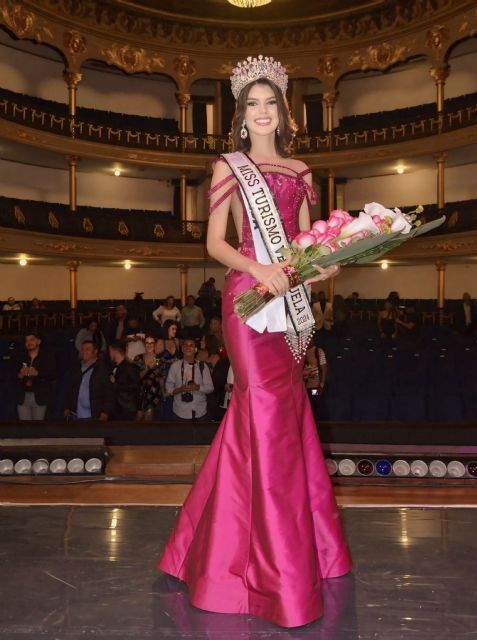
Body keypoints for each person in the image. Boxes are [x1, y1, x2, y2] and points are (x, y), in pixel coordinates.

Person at [159, 57, 351, 629]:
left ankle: (211, 542)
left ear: (284, 111)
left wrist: (324, 271)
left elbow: (310, 244)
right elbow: (215, 244)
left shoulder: (301, 169)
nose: (263, 113)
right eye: (253, 104)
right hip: (248, 297)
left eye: (272, 103)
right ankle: (273, 574)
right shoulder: (228, 167)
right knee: (264, 411)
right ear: (241, 116)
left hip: (290, 300)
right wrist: (258, 269)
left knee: (278, 416)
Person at [165, 338, 214, 420]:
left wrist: (197, 387)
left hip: (199, 412)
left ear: (195, 349)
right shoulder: (175, 366)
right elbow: (168, 388)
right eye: (186, 345)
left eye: (191, 345)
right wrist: (180, 389)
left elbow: (210, 388)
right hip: (180, 412)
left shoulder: (203, 366)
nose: (188, 347)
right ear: (182, 349)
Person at [64, 341, 114, 420]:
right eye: (82, 349)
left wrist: (105, 412)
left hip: (94, 414)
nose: (84, 352)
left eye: (87, 349)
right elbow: (70, 388)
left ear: (95, 351)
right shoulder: (76, 367)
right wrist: (67, 406)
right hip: (75, 414)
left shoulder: (102, 368)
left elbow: (109, 392)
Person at [15, 331, 57, 420]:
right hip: (23, 397)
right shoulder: (20, 356)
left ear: (39, 341)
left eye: (32, 339)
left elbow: (53, 375)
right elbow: (11, 376)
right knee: (24, 429)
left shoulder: (47, 357)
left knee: (38, 429)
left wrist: (38, 373)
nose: (29, 342)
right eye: (27, 340)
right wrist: (20, 375)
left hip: (40, 397)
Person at [133, 335, 166, 421]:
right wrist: (148, 367)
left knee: (149, 417)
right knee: (138, 416)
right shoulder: (138, 358)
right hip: (140, 391)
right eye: (147, 343)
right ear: (144, 344)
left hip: (153, 392)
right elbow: (137, 377)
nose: (149, 345)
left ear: (155, 344)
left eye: (152, 343)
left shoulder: (159, 359)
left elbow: (161, 376)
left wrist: (163, 393)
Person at [108, 340, 141, 420]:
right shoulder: (113, 366)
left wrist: (115, 383)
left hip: (126, 409)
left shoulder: (130, 367)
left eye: (110, 351)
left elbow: (136, 386)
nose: (109, 354)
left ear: (114, 350)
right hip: (116, 409)